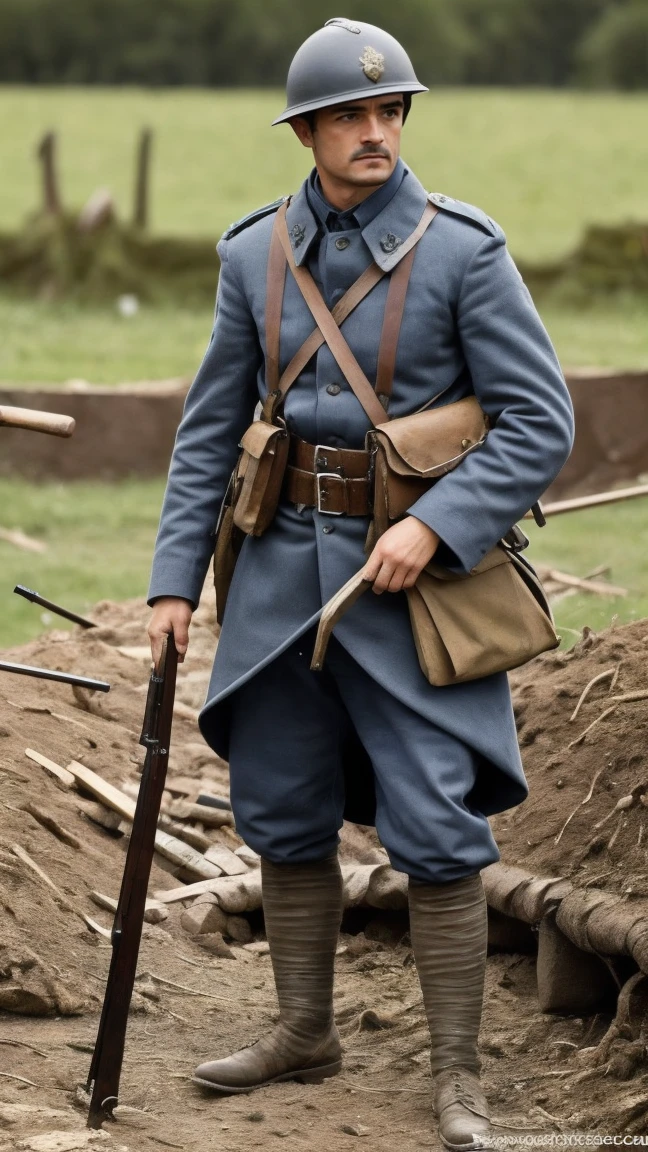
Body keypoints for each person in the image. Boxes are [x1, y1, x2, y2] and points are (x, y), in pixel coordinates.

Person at [147, 18, 574, 1150]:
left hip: (417, 591)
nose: (376, 131)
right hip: (283, 574)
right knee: (281, 803)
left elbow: (541, 422)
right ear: (308, 132)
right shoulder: (254, 256)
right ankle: (303, 1030)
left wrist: (437, 526)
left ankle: (458, 1078)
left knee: (436, 826)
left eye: (391, 113)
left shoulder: (464, 252)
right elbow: (206, 434)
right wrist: (171, 585)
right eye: (351, 115)